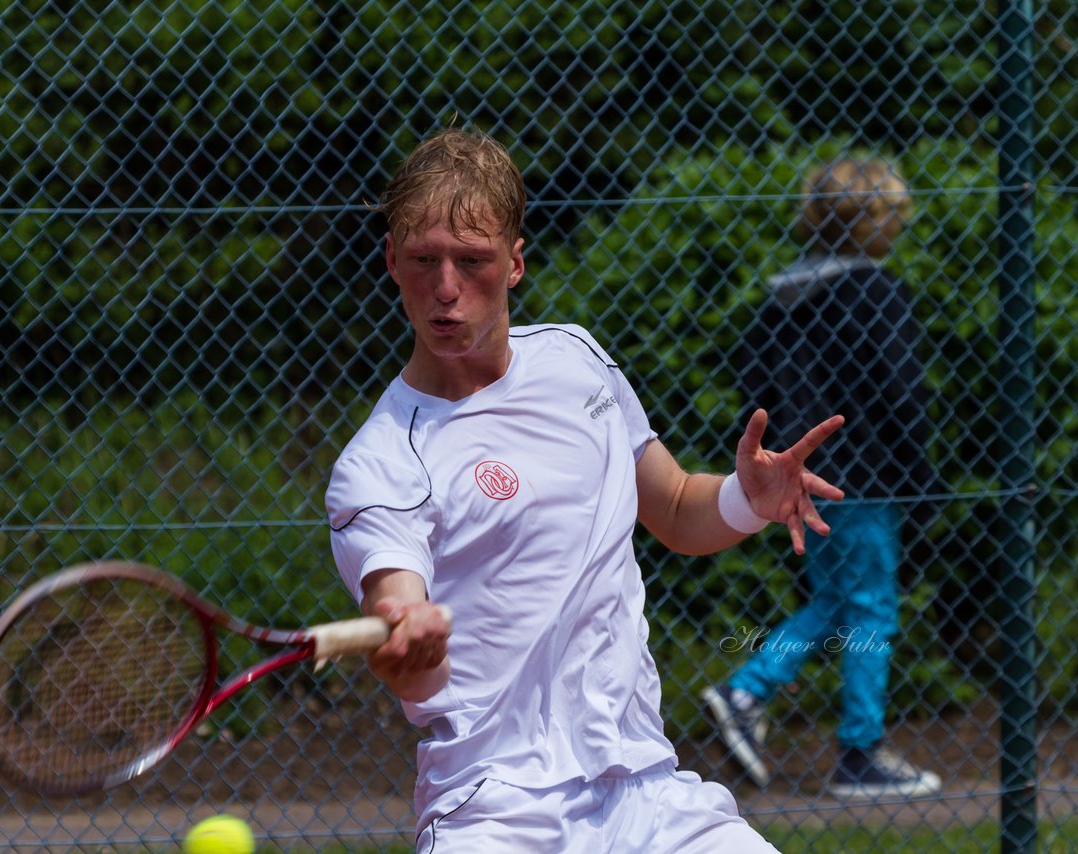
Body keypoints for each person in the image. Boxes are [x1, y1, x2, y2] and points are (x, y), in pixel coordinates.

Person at [326, 127, 845, 852]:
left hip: (646, 787)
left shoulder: (576, 361)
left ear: (515, 263)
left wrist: (745, 499)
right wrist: (410, 651)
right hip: (494, 809)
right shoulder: (381, 461)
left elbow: (669, 508)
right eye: (422, 262)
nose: (445, 290)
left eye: (471, 262)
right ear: (390, 261)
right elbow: (399, 605)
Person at [701, 157, 941, 800]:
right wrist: (921, 477)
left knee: (838, 602)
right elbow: (901, 393)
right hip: (867, 478)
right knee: (870, 608)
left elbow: (752, 384)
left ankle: (746, 690)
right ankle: (859, 753)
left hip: (801, 475)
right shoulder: (876, 291)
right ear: (878, 221)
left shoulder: (784, 296)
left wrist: (778, 462)